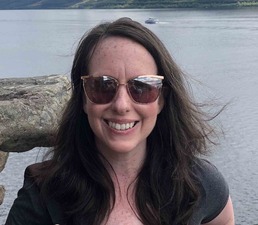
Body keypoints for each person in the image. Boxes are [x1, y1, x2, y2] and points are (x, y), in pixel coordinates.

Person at [5, 17, 234, 225]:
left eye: (142, 87)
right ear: (83, 99)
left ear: (161, 100)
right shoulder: (43, 197)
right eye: (103, 86)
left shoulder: (200, 185)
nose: (121, 105)